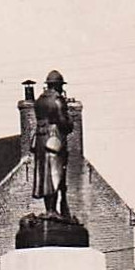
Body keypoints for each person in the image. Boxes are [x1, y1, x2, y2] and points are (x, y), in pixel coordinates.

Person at [31, 71, 75, 217]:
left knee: (44, 175)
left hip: (40, 139)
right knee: (55, 175)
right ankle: (53, 210)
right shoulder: (58, 100)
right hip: (54, 139)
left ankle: (50, 209)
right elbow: (64, 123)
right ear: (57, 86)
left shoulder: (39, 101)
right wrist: (70, 122)